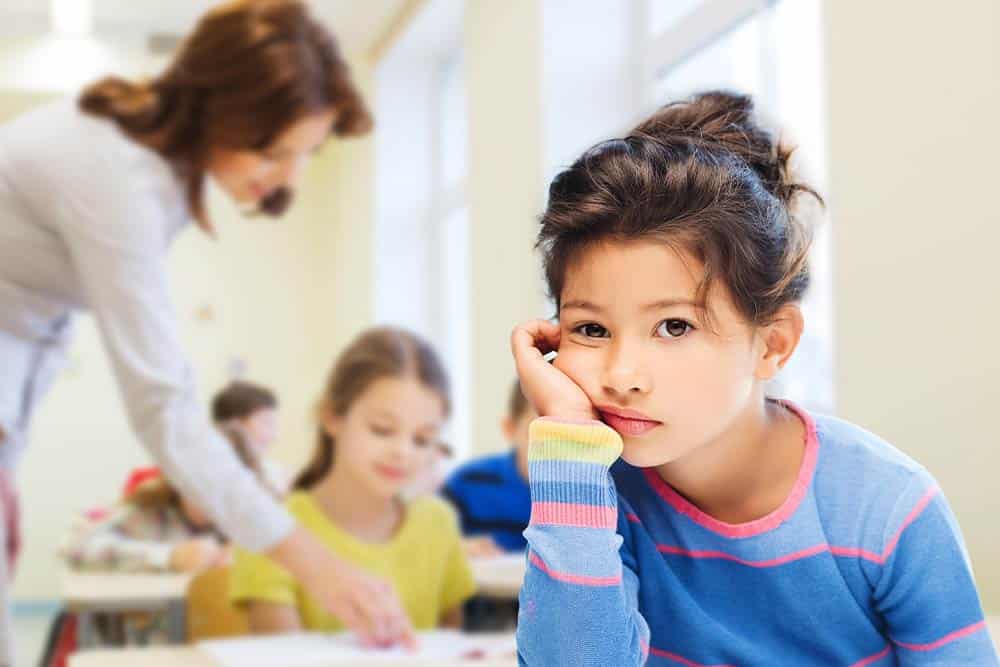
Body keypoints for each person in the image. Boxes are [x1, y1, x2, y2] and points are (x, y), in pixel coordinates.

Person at [511, 91, 998, 665]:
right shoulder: (595, 495)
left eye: (673, 325)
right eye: (591, 329)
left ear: (773, 343)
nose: (621, 375)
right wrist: (567, 436)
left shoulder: (885, 506)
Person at [0, 2, 411, 662]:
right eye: (274, 151)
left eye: (305, 153)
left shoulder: (154, 173)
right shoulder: (117, 176)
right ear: (218, 110)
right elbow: (163, 403)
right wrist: (315, 564)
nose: (290, 177)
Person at [230, 327, 476, 634]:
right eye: (382, 429)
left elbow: (451, 650)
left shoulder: (437, 524)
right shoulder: (272, 530)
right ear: (332, 416)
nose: (402, 452)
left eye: (422, 439)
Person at [443, 380, 534, 557]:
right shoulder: (468, 482)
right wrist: (459, 547)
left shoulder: (590, 494)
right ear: (510, 429)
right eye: (539, 434)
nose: (554, 447)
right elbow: (428, 542)